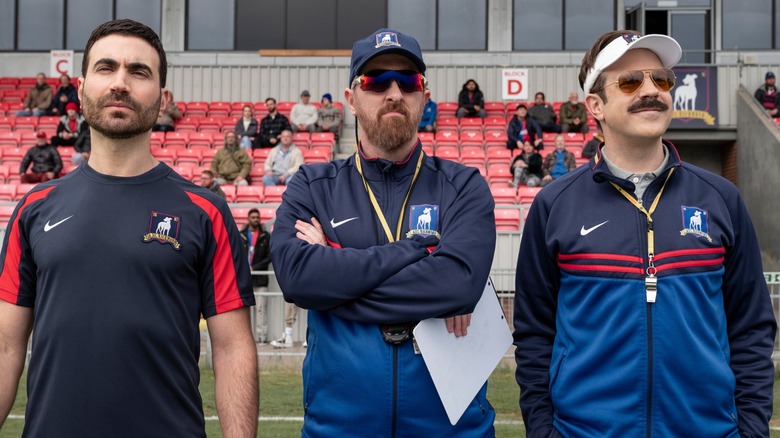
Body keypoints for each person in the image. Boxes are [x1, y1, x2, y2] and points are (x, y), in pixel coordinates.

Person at [0, 19, 258, 437]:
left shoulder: (204, 211)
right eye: (106, 68)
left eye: (139, 72)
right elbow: (6, 347)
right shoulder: (33, 208)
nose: (120, 83)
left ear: (163, 96)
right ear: (81, 87)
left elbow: (232, 348)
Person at [514, 30, 777, 438]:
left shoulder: (721, 198)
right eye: (631, 81)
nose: (651, 90)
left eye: (662, 79)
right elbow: (534, 335)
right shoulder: (554, 205)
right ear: (596, 106)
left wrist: (751, 430)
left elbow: (751, 327)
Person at [270, 28, 497, 436]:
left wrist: (337, 281)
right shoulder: (311, 184)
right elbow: (299, 279)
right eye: (376, 81)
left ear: (424, 97)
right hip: (338, 427)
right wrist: (413, 252)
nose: (394, 92)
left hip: (452, 429)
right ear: (351, 98)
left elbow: (458, 286)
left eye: (408, 81)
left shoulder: (464, 185)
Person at [239, 209, 271, 344]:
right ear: (248, 218)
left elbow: (270, 256)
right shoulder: (241, 235)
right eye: (253, 217)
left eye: (257, 217)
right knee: (243, 310)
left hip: (260, 278)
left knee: (261, 309)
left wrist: (255, 267)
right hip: (244, 279)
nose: (255, 219)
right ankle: (244, 338)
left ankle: (262, 336)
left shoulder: (265, 236)